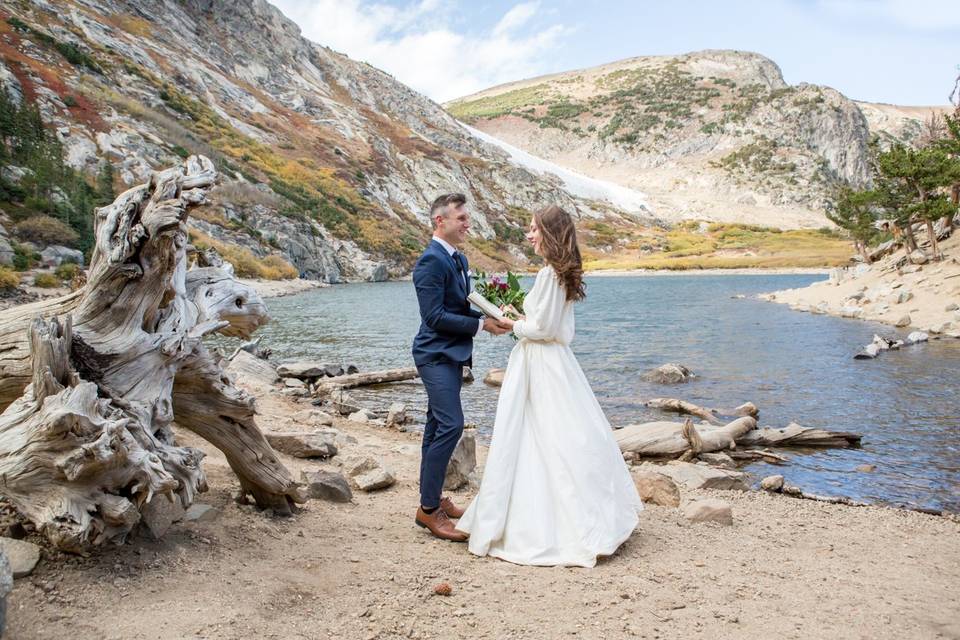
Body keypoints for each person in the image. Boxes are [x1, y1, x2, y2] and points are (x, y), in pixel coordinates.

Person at [457, 205, 643, 567]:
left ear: (550, 232)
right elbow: (554, 328)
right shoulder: (561, 273)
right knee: (559, 434)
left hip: (539, 363)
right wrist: (523, 321)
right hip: (555, 362)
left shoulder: (548, 274)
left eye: (534, 228)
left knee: (535, 434)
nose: (529, 235)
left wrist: (512, 324)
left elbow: (542, 330)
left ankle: (541, 525)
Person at [411, 193, 511, 542]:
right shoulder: (430, 261)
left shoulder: (458, 258)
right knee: (451, 426)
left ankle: (432, 499)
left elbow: (457, 306)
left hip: (452, 354)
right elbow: (434, 316)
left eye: (467, 218)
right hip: (434, 355)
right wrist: (482, 326)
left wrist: (491, 318)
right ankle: (428, 511)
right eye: (461, 218)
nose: (468, 224)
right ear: (440, 221)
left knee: (435, 426)